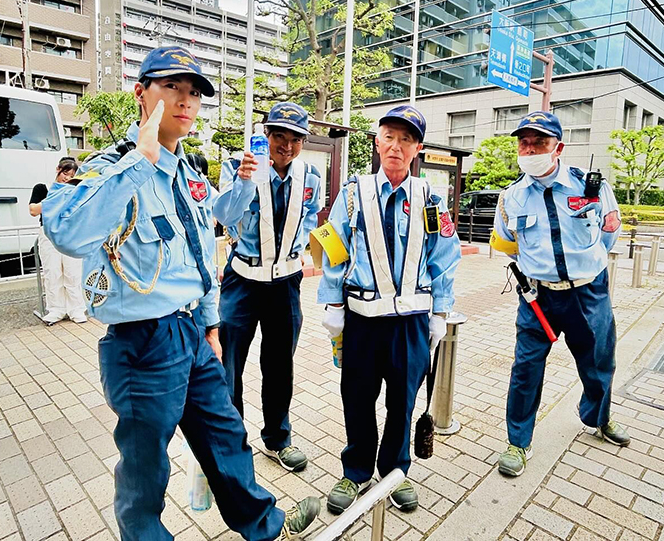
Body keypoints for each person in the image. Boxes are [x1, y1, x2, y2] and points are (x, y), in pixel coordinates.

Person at [41, 46, 319, 540]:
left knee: (226, 436)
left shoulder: (190, 176)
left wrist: (211, 323)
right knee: (147, 469)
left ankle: (265, 526)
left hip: (191, 332)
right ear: (141, 94)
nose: (185, 101)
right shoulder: (110, 167)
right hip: (141, 342)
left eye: (193, 93)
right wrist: (141, 159)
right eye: (171, 88)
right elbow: (64, 229)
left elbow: (201, 252)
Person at [317, 105, 461, 514]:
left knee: (403, 401)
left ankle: (396, 471)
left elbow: (444, 255)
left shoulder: (430, 197)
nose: (396, 146)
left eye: (406, 139)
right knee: (357, 397)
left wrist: (441, 313)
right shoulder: (352, 193)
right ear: (377, 142)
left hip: (412, 322)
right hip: (362, 320)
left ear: (417, 148)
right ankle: (357, 469)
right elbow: (334, 250)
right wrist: (331, 303)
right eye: (389, 137)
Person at [491, 111, 630, 478]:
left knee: (599, 360)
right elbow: (508, 246)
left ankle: (598, 417)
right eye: (524, 142)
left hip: (589, 293)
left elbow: (610, 233)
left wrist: (583, 264)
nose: (530, 149)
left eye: (540, 142)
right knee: (525, 368)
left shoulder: (592, 187)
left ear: (559, 148)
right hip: (538, 297)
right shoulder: (511, 198)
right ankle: (518, 441)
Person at [212, 102, 321, 472]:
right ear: (266, 136)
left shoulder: (310, 176)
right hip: (242, 280)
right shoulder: (238, 166)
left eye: (295, 139)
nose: (286, 146)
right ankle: (231, 444)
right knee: (228, 366)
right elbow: (223, 216)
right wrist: (244, 181)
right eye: (279, 137)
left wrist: (295, 250)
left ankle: (277, 439)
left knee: (279, 367)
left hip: (286, 285)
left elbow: (308, 218)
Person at [29, 157, 87, 324]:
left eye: (71, 176)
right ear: (58, 169)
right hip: (48, 234)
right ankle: (56, 309)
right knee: (52, 271)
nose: (67, 178)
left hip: (71, 233)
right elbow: (33, 210)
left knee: (73, 272)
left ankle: (77, 309)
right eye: (65, 173)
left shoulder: (76, 190)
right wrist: (57, 199)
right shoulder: (43, 188)